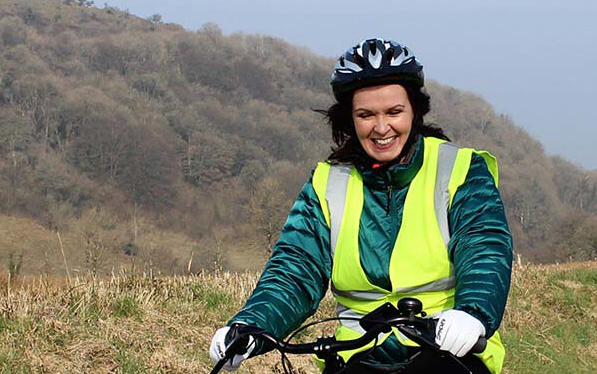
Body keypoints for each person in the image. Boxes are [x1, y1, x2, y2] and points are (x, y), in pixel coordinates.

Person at [206, 38, 512, 373]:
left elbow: (485, 248)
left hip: (448, 349)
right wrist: (250, 327)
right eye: (366, 115)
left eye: (394, 112)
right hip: (358, 354)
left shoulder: (460, 169)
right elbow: (295, 270)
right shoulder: (328, 182)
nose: (382, 128)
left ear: (415, 111)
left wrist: (472, 314)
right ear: (349, 119)